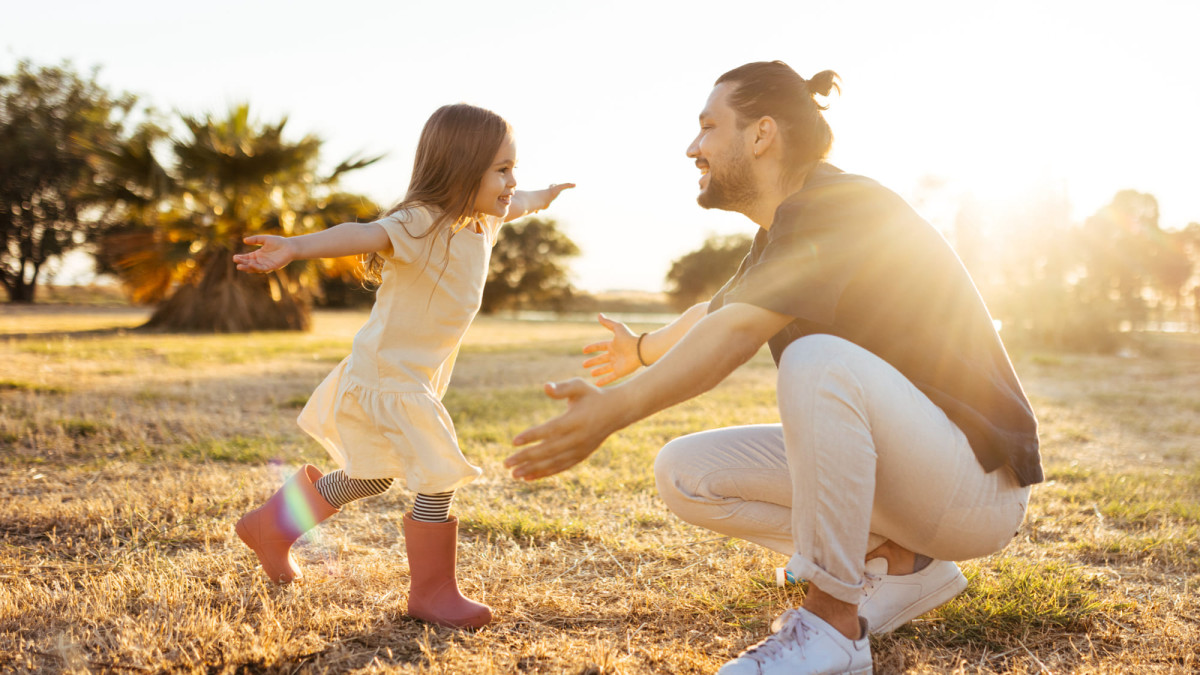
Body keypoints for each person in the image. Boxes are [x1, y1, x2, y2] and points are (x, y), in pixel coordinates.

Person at [506, 61, 1041, 674]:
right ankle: (904, 568)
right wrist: (642, 349)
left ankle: (832, 626)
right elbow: (713, 311)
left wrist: (614, 411)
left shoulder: (843, 207)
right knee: (686, 471)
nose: (692, 147)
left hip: (976, 488)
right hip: (922, 481)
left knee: (818, 362)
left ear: (762, 135)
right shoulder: (786, 232)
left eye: (708, 127)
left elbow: (734, 331)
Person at [232, 103, 573, 629]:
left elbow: (521, 202)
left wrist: (544, 197)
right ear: (461, 168)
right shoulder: (420, 222)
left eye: (514, 167)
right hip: (388, 375)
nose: (512, 181)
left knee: (371, 477)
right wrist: (296, 247)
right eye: (501, 169)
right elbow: (361, 233)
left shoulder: (486, 217)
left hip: (410, 375)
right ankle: (432, 592)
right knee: (437, 469)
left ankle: (271, 526)